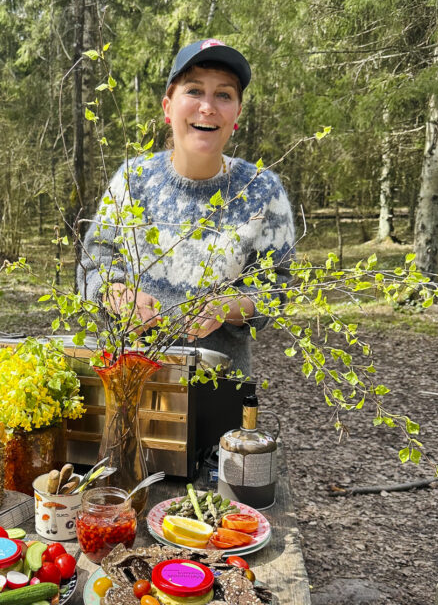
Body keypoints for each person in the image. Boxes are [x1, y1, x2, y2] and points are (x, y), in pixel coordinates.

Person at [78, 38, 295, 375]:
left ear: (236, 114)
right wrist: (117, 293)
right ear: (168, 107)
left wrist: (232, 306)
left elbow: (276, 288)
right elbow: (94, 262)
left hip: (219, 384)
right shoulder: (133, 180)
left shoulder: (263, 191)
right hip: (125, 377)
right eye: (194, 91)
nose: (207, 107)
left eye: (223, 95)